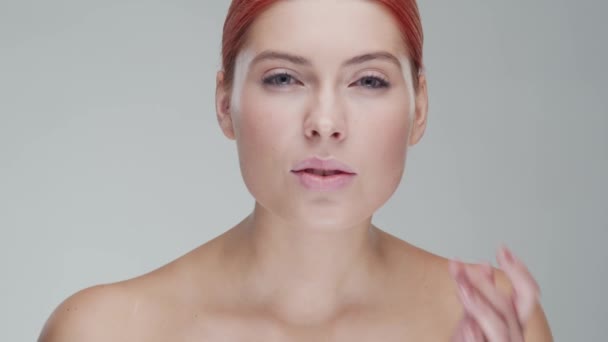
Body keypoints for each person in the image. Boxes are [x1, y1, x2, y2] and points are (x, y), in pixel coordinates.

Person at [39, 0, 553, 340]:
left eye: (369, 81)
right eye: (283, 78)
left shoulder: (496, 321)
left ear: (419, 108)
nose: (325, 123)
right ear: (224, 103)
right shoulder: (104, 331)